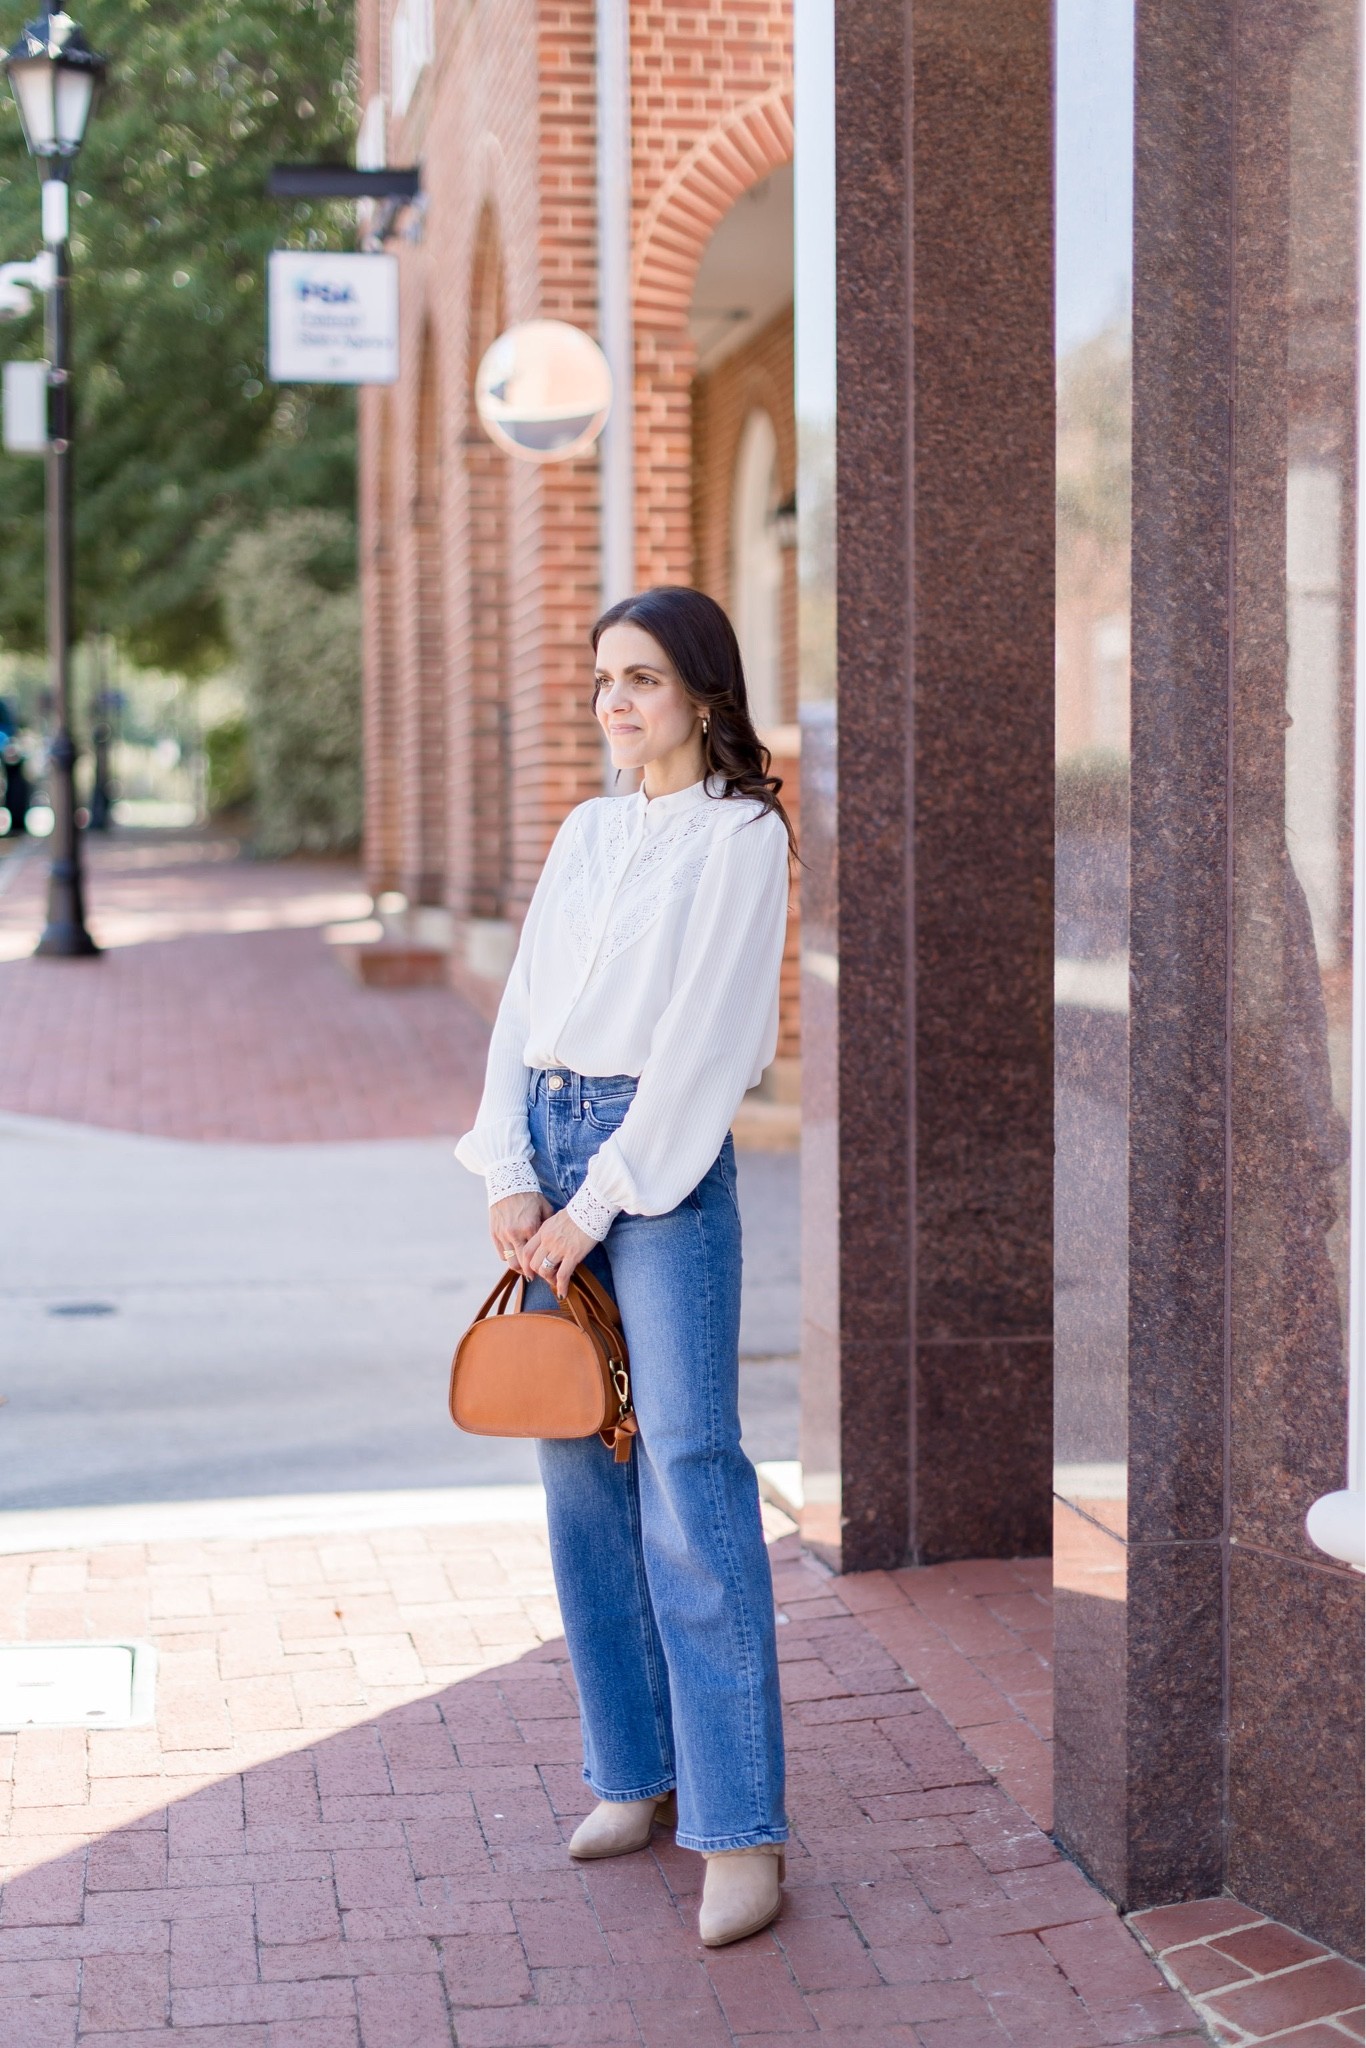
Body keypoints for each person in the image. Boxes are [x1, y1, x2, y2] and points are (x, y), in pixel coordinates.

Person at [456, 585, 796, 1946]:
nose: (614, 702)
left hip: (652, 1169)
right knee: (574, 1467)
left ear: (703, 696)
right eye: (603, 677)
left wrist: (586, 1209)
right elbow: (525, 1009)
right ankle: (633, 1776)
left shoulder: (739, 840)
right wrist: (507, 1171)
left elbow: (711, 1049)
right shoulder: (588, 831)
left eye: (642, 679)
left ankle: (740, 1828)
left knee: (688, 1477)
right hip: (553, 1141)